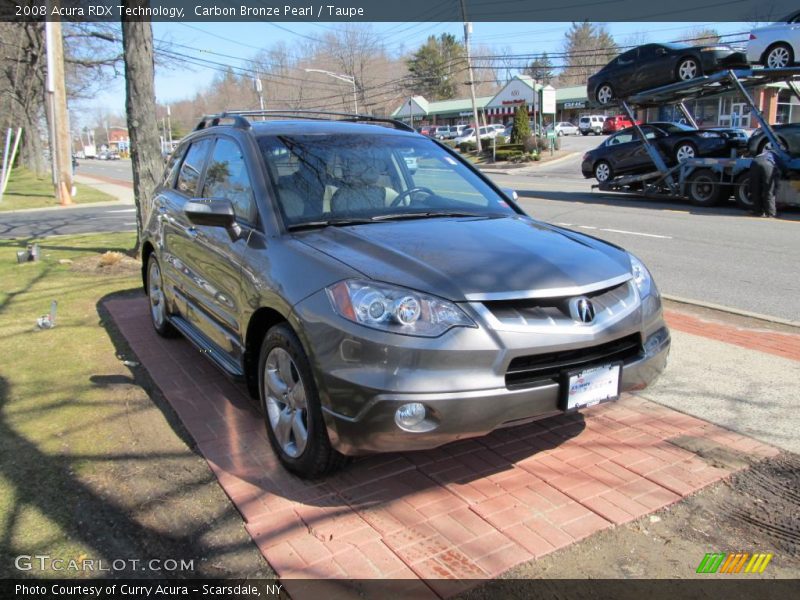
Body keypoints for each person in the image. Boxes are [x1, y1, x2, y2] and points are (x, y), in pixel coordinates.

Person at [749, 147, 785, 218]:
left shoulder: (762, 154)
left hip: (754, 163)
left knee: (756, 189)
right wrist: (787, 173)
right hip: (767, 165)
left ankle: (758, 212)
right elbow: (783, 167)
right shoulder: (775, 155)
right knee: (769, 190)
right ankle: (771, 213)